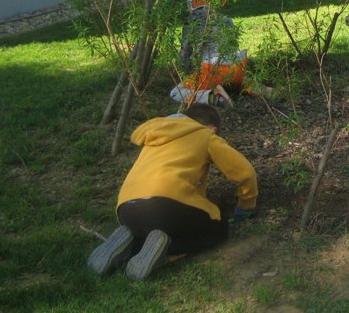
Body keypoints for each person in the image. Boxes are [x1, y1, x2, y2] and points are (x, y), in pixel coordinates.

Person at [86, 103, 257, 281]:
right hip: (165, 208)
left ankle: (131, 240)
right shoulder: (205, 135)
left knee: (157, 224)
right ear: (212, 129)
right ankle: (162, 250)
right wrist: (246, 205)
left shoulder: (157, 132)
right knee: (219, 229)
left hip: (126, 210)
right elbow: (245, 172)